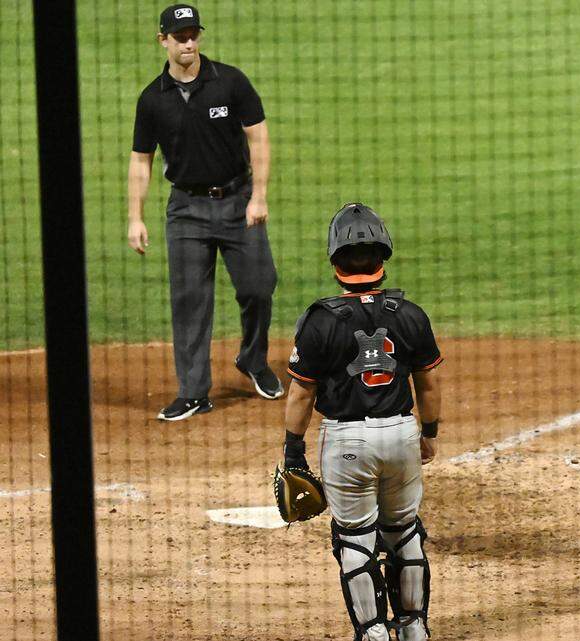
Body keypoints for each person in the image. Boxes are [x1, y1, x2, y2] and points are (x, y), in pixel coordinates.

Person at [281, 203, 442, 641]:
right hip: (401, 436)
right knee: (404, 533)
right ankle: (414, 629)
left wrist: (293, 452)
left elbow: (301, 393)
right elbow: (428, 385)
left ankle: (372, 633)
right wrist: (428, 435)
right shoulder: (410, 314)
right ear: (383, 258)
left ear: (334, 262)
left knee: (355, 540)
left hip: (347, 443)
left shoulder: (319, 321)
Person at [127, 4, 281, 421]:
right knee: (190, 301)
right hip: (186, 211)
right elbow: (141, 160)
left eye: (194, 34)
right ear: (163, 40)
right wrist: (135, 216)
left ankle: (253, 359)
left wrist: (259, 196)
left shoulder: (230, 82)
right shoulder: (152, 100)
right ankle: (194, 392)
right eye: (180, 36)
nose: (189, 42)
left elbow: (259, 139)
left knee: (258, 287)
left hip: (237, 200)